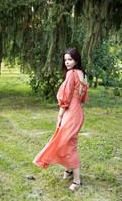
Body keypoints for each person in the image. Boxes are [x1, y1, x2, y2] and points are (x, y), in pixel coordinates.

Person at [33, 48, 89, 191]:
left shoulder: (71, 74)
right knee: (67, 142)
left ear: (76, 59)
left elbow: (66, 97)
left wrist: (60, 115)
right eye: (65, 60)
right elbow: (82, 97)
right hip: (78, 112)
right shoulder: (82, 73)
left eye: (70, 59)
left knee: (69, 144)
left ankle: (77, 181)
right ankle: (69, 171)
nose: (67, 62)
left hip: (71, 112)